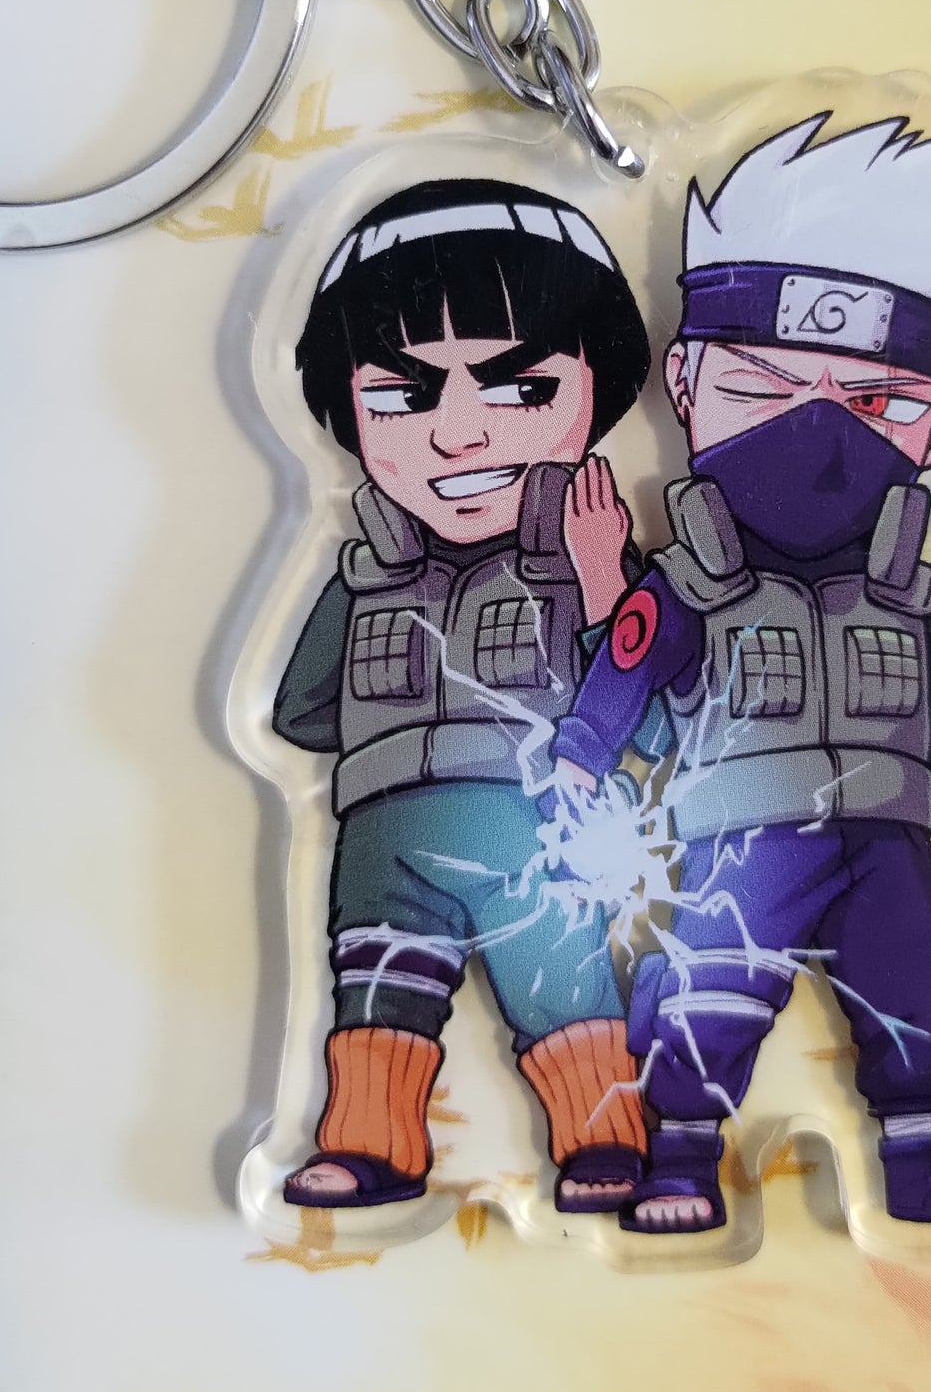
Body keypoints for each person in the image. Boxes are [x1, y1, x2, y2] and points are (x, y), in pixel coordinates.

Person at [552, 115, 931, 1235]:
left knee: (916, 988)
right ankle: (680, 1161)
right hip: (740, 836)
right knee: (705, 989)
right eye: (764, 388)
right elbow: (617, 688)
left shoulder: (907, 594)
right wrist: (575, 770)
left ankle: (919, 1162)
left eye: (876, 402)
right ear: (684, 381)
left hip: (886, 842)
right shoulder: (691, 580)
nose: (818, 433)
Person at [273, 178, 655, 1212]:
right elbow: (299, 713)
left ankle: (603, 1140)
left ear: (598, 389)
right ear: (346, 405)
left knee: (561, 982)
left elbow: (654, 711)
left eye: (520, 390)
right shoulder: (365, 575)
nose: (458, 435)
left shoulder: (584, 563)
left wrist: (604, 582)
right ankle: (368, 1146)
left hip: (536, 821)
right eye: (402, 397)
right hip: (383, 838)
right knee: (377, 994)